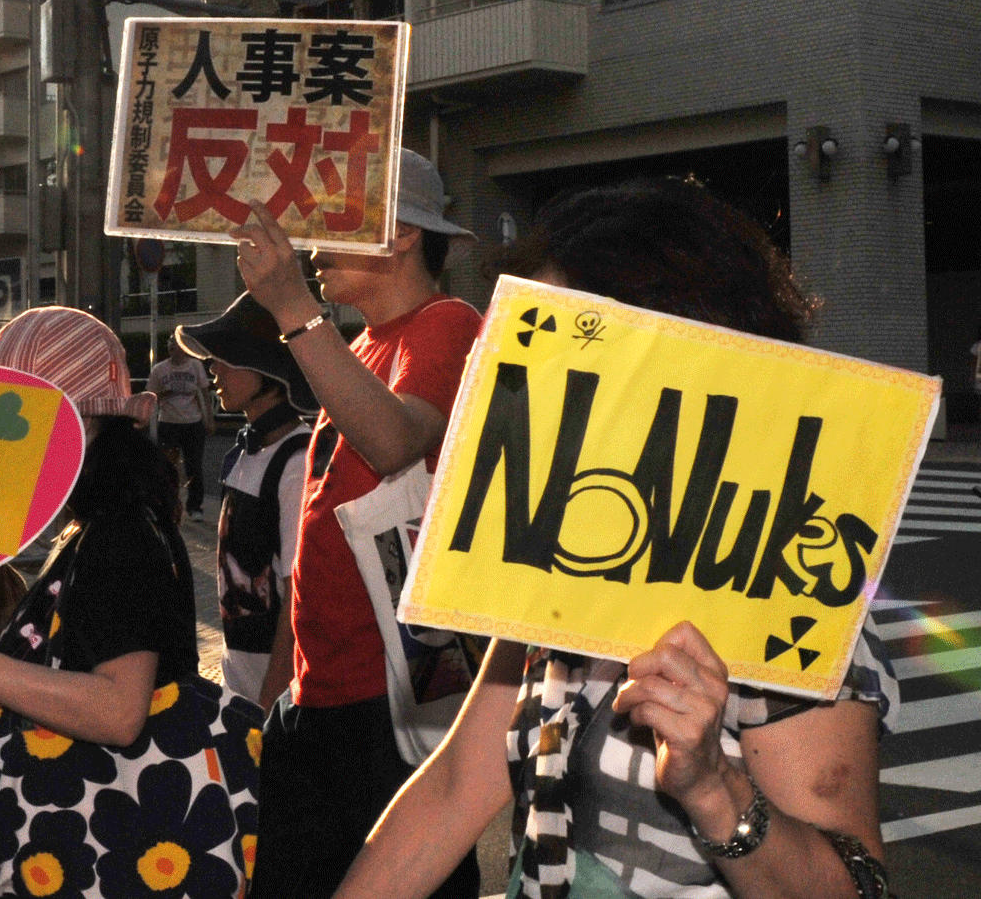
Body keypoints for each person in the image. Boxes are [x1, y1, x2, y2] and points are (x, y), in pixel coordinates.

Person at [331, 176, 897, 899]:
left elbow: (857, 887)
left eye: (565, 344)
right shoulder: (556, 553)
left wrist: (715, 789)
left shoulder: (792, 592)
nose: (521, 378)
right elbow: (451, 791)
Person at [0, 307, 251, 898]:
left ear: (70, 424)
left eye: (15, 421)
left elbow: (117, 709)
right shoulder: (102, 524)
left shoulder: (118, 535)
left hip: (106, 848)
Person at [232, 147, 483, 899]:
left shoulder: (446, 323)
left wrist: (291, 310)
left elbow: (397, 439)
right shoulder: (364, 345)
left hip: (394, 708)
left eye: (332, 222)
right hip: (319, 702)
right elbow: (318, 537)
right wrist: (283, 687)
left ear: (402, 234)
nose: (311, 246)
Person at [174, 294, 317, 708]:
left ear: (266, 369)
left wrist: (273, 696)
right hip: (239, 679)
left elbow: (297, 599)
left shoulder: (295, 462)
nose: (212, 368)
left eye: (227, 358)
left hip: (278, 693)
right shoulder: (246, 451)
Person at [148, 336, 215, 515]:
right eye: (169, 343)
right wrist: (164, 393)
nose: (171, 345)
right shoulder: (159, 369)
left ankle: (194, 507)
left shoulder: (195, 366)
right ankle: (167, 505)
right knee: (167, 466)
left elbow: (204, 393)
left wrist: (209, 419)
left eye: (175, 343)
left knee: (194, 466)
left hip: (192, 423)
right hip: (168, 423)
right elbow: (151, 396)